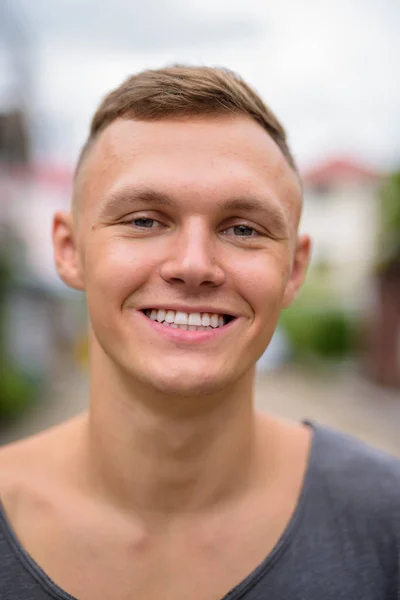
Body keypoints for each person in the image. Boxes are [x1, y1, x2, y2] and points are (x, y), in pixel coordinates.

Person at [0, 65, 399, 600]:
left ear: (295, 270)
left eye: (242, 229)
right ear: (69, 250)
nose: (193, 264)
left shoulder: (386, 521)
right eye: (144, 220)